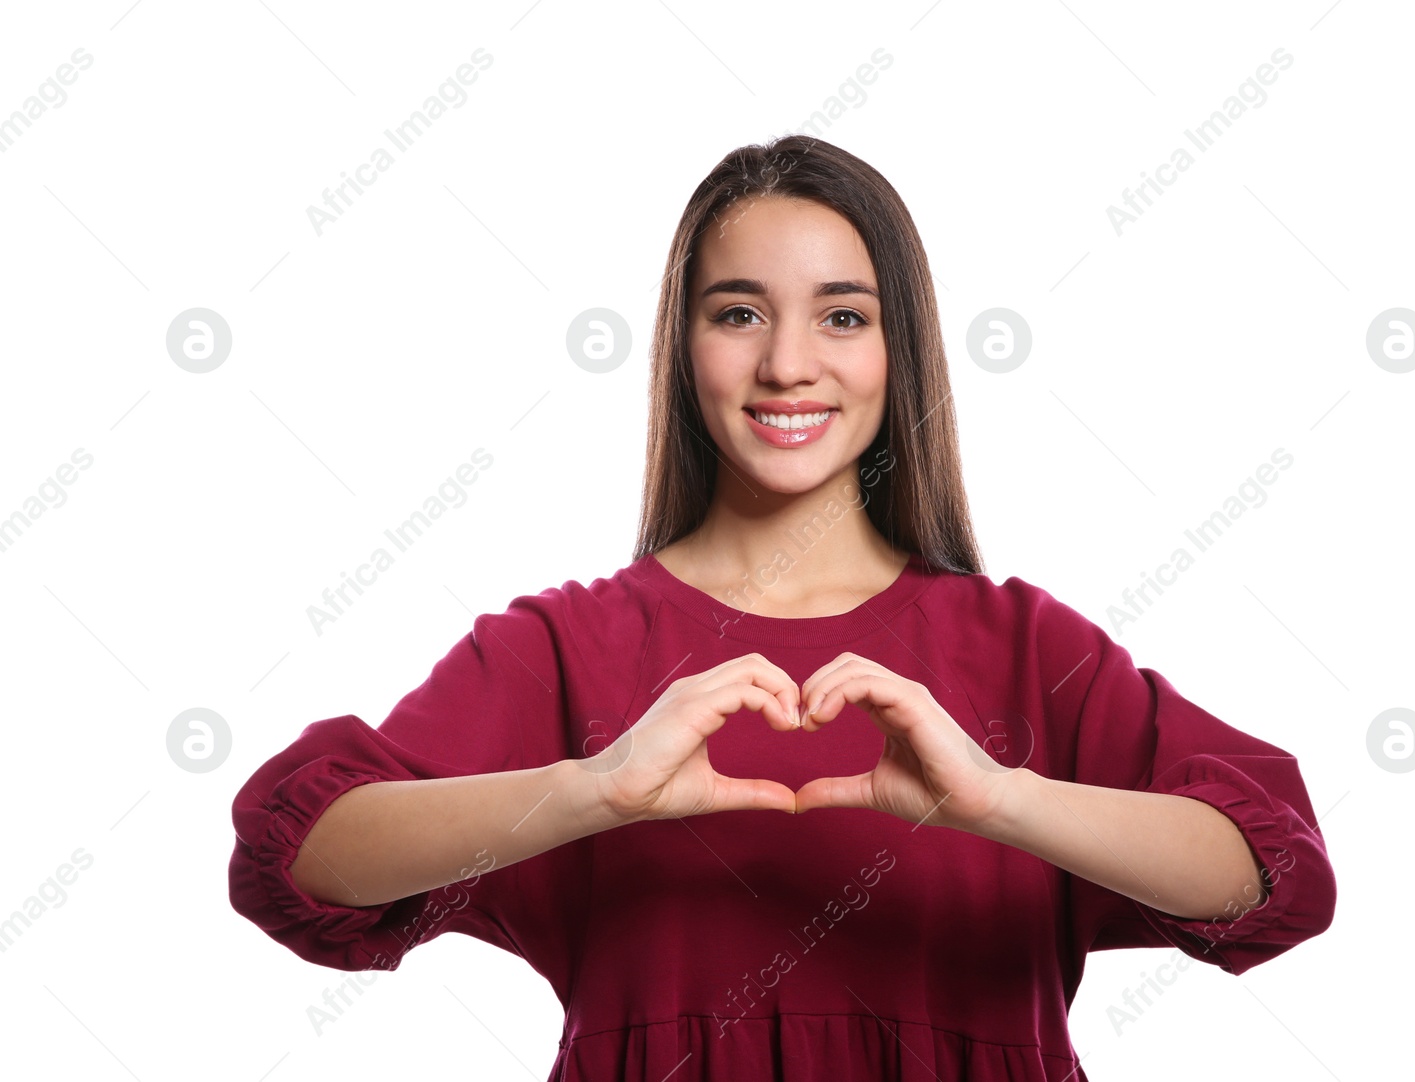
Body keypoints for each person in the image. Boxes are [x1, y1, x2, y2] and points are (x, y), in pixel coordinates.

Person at [228, 135, 1336, 1080]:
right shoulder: (564, 647)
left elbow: (1269, 871)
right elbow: (303, 857)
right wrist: (594, 788)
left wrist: (1001, 798)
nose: (788, 363)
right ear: (684, 347)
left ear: (898, 349)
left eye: (842, 315)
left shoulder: (1023, 643)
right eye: (739, 311)